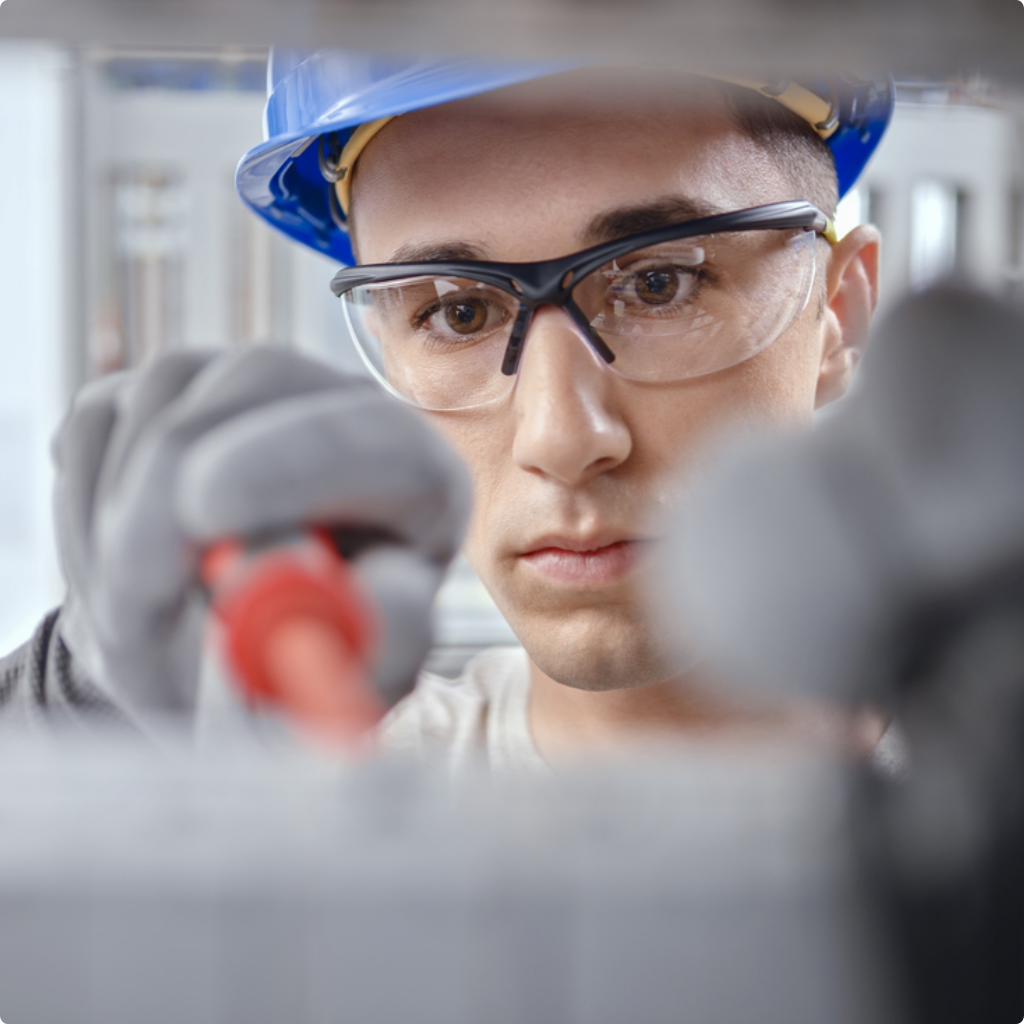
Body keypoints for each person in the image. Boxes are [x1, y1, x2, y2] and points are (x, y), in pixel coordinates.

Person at [0, 53, 895, 772]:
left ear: (839, 315)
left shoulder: (986, 795)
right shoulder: (335, 800)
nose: (563, 436)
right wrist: (79, 701)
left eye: (660, 285)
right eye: (458, 311)